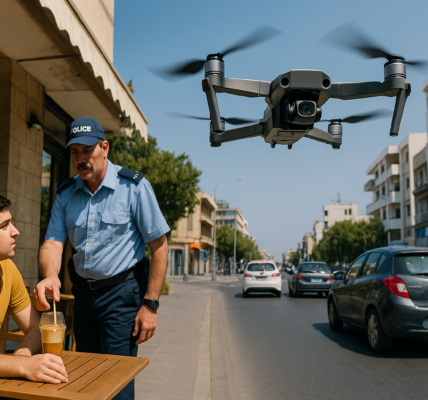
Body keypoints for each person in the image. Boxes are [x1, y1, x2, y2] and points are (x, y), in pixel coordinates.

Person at [34, 117, 169, 400]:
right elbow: (53, 242)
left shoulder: (133, 188)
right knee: (84, 378)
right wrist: (50, 275)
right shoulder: (66, 193)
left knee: (116, 381)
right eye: (74, 152)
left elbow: (159, 246)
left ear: (104, 147)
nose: (80, 158)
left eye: (87, 150)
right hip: (83, 297)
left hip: (121, 297)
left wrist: (151, 305)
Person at [0, 195, 68, 385]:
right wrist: (22, 365)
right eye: (4, 226)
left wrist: (22, 355)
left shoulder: (7, 268)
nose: (16, 232)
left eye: (11, 223)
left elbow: (36, 329)